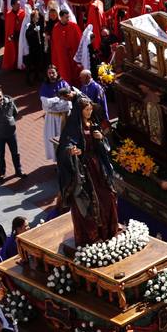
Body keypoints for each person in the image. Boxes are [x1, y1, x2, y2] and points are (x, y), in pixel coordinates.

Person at [56, 95, 119, 246]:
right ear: (80, 110)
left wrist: (100, 138)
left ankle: (109, 231)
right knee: (87, 203)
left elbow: (103, 146)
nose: (89, 112)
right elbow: (64, 146)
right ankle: (92, 237)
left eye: (90, 109)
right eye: (86, 109)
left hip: (97, 167)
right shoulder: (73, 127)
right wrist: (71, 151)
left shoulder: (93, 124)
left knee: (107, 196)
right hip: (83, 170)